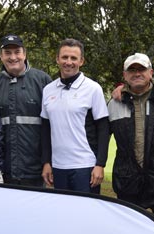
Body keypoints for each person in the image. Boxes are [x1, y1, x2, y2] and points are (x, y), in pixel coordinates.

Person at [107, 53, 154, 229]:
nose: (137, 73)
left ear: (151, 72)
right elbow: (99, 139)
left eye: (142, 69)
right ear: (124, 76)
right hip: (127, 184)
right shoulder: (113, 103)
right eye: (132, 70)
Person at [40, 38, 110, 194]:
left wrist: (100, 164)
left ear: (81, 61)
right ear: (57, 59)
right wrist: (46, 162)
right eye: (64, 57)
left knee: (86, 215)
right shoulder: (48, 90)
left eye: (73, 58)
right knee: (63, 215)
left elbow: (103, 128)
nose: (68, 62)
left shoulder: (93, 89)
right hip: (58, 167)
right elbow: (45, 129)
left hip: (85, 166)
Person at [0, 34, 52, 187]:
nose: (13, 57)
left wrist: (48, 162)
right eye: (7, 53)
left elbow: (53, 126)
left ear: (24, 54)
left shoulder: (43, 81)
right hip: (3, 171)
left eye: (17, 52)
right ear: (1, 56)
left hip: (35, 171)